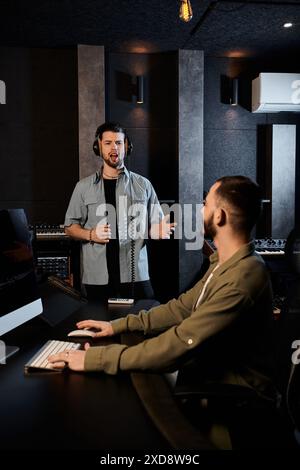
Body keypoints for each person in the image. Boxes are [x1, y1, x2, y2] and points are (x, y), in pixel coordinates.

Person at [50, 175, 275, 403]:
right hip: (206, 372)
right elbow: (181, 308)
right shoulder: (226, 264)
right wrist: (116, 325)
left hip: (231, 397)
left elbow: (181, 341)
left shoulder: (242, 278)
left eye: (205, 204)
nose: (199, 210)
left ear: (219, 216)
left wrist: (97, 359)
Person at [64, 122, 175, 300]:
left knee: (143, 320)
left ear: (127, 147)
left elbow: (156, 226)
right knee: (98, 323)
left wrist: (156, 232)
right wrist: (91, 234)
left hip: (135, 274)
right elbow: (69, 228)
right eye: (108, 143)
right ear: (98, 146)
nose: (114, 147)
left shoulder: (143, 185)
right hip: (97, 277)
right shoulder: (83, 187)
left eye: (118, 143)